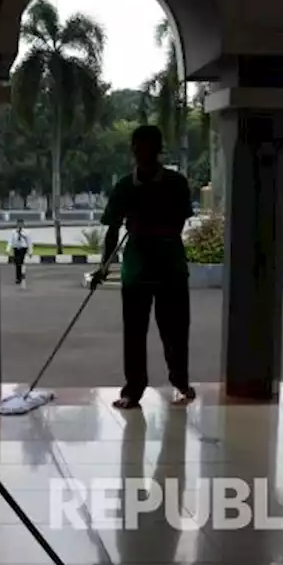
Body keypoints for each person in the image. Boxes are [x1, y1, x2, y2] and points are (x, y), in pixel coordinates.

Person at [94, 125, 196, 409]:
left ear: (158, 149)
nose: (142, 153)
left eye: (148, 147)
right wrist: (104, 266)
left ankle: (180, 382)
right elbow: (112, 229)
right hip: (136, 270)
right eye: (138, 147)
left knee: (175, 331)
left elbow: (178, 223)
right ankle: (133, 389)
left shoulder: (176, 183)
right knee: (134, 333)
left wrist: (146, 221)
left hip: (170, 268)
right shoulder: (125, 186)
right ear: (133, 150)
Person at [7, 219, 31, 287]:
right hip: (16, 248)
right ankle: (18, 277)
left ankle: (20, 276)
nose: (20, 225)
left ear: (23, 224)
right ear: (17, 224)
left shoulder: (26, 232)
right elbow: (10, 241)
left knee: (20, 261)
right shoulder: (13, 232)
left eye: (21, 224)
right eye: (18, 224)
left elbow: (29, 242)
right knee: (17, 263)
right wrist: (8, 249)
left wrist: (30, 251)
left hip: (23, 249)